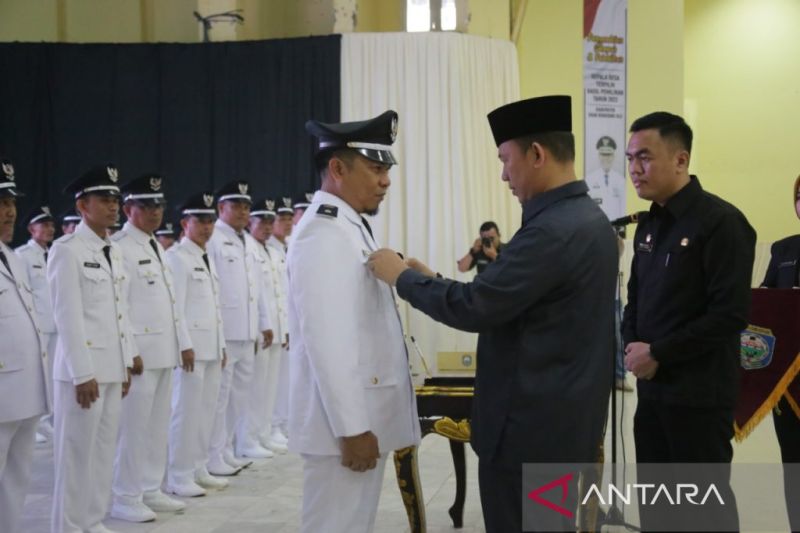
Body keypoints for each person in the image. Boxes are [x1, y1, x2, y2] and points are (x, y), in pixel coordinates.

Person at [368, 95, 617, 533]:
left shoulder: (552, 230)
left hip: (528, 435)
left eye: (505, 160)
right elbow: (509, 298)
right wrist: (434, 278)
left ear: (536, 154)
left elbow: (476, 307)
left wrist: (401, 278)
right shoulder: (587, 219)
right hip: (562, 426)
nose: (504, 176)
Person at [621, 112, 756, 531]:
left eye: (645, 157)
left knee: (703, 514)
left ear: (681, 160)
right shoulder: (649, 225)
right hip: (653, 395)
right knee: (658, 510)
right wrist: (632, 346)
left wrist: (659, 352)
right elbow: (635, 301)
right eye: (630, 158)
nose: (634, 169)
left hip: (699, 397)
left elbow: (729, 314)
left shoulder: (721, 223)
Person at [289, 110, 420, 533]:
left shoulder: (350, 225)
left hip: (359, 420)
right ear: (338, 169)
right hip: (341, 431)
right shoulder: (324, 232)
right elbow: (328, 342)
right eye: (376, 169)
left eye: (387, 170)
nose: (386, 181)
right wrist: (352, 428)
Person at [49, 164, 137, 533]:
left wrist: (126, 361)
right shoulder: (67, 250)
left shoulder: (112, 250)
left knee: (102, 452)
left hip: (112, 367)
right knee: (76, 455)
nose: (113, 205)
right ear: (82, 205)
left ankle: (92, 519)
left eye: (115, 199)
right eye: (104, 199)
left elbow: (120, 311)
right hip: (83, 373)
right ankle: (68, 526)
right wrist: (82, 373)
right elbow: (67, 317)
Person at [110, 174, 193, 522]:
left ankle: (149, 487)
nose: (155, 212)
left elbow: (171, 303)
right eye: (146, 206)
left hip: (164, 351)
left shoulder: (156, 246)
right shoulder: (119, 246)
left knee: (157, 426)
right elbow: (119, 305)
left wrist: (183, 343)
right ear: (128, 209)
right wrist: (129, 352)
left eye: (158, 205)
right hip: (140, 355)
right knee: (133, 429)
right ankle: (125, 496)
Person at [165, 191, 230, 496]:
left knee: (206, 412)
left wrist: (221, 345)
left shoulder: (205, 256)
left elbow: (213, 306)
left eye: (210, 221)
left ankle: (198, 467)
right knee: (185, 413)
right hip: (191, 350)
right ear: (184, 223)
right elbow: (175, 307)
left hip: (211, 347)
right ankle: (178, 474)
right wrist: (183, 345)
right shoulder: (177, 258)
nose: (207, 227)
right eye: (200, 220)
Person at [206, 180, 272, 474]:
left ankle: (228, 449)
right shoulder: (213, 238)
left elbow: (256, 288)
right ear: (221, 207)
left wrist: (263, 323)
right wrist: (217, 333)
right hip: (226, 332)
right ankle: (212, 455)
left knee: (239, 397)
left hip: (247, 331)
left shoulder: (248, 241)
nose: (244, 211)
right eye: (237, 206)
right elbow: (212, 290)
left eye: (246, 206)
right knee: (219, 399)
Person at [0, 158, 51, 533]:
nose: (10, 211)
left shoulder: (12, 257)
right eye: (1, 203)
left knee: (15, 480)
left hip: (25, 391)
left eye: (11, 202)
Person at [759, 175, 800, 533]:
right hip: (787, 382)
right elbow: (765, 301)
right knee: (793, 465)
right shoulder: (783, 250)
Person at [235, 198, 289, 457]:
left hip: (275, 328)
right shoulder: (249, 250)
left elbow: (280, 294)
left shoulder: (273, 252)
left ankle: (263, 433)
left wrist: (283, 326)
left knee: (270, 388)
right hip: (257, 330)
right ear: (250, 223)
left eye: (270, 222)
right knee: (255, 390)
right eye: (262, 222)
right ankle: (247, 439)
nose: (267, 227)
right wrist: (263, 325)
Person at [15, 205, 58, 439]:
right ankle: (38, 423)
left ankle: (51, 418)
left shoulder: (55, 253)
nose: (50, 229)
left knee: (54, 375)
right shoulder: (22, 255)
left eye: (51, 225)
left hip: (57, 325)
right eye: (44, 225)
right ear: (32, 229)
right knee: (38, 376)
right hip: (38, 326)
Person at [267, 196, 293, 445]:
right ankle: (273, 426)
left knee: (285, 380)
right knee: (271, 385)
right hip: (270, 326)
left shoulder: (286, 247)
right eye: (281, 219)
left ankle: (282, 424)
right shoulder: (269, 248)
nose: (287, 223)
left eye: (289, 218)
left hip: (285, 324)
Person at [585, 135, 626, 220]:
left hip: (616, 225)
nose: (606, 158)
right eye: (603, 154)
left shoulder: (621, 181)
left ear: (613, 156)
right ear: (599, 156)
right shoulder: (589, 180)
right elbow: (586, 210)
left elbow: (624, 208)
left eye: (609, 155)